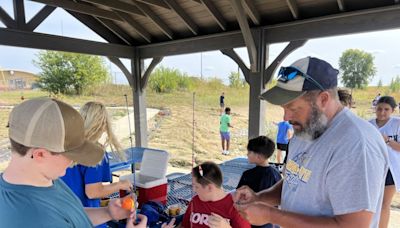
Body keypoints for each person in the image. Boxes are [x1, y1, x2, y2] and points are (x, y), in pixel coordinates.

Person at [233, 57, 388, 228]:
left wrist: (272, 215)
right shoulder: (306, 129)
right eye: (283, 108)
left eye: (292, 108)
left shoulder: (356, 145)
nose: (286, 117)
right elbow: (296, 180)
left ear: (323, 100)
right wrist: (260, 198)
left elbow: (352, 225)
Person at [0, 97, 146, 227]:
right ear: (40, 155)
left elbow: (67, 216)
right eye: (71, 154)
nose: (74, 160)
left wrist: (107, 212)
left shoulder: (45, 179)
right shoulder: (36, 218)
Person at [61, 101, 132, 228]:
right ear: (103, 125)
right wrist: (121, 185)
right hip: (89, 219)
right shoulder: (95, 152)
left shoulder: (66, 147)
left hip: (64, 216)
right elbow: (93, 192)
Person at [163, 161, 251, 228]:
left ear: (210, 187)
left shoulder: (236, 207)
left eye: (196, 186)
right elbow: (185, 226)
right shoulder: (195, 201)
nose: (194, 190)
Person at [369, 96, 400, 228]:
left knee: (384, 204)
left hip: (391, 169)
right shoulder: (369, 125)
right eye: (379, 109)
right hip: (372, 168)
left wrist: (387, 140)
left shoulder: (397, 124)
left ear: (392, 110)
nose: (382, 112)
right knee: (371, 203)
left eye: (386, 109)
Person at [237, 136, 282, 228]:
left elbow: (239, 197)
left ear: (258, 156)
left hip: (250, 220)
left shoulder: (248, 175)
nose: (247, 154)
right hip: (271, 221)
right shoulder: (277, 174)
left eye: (249, 152)